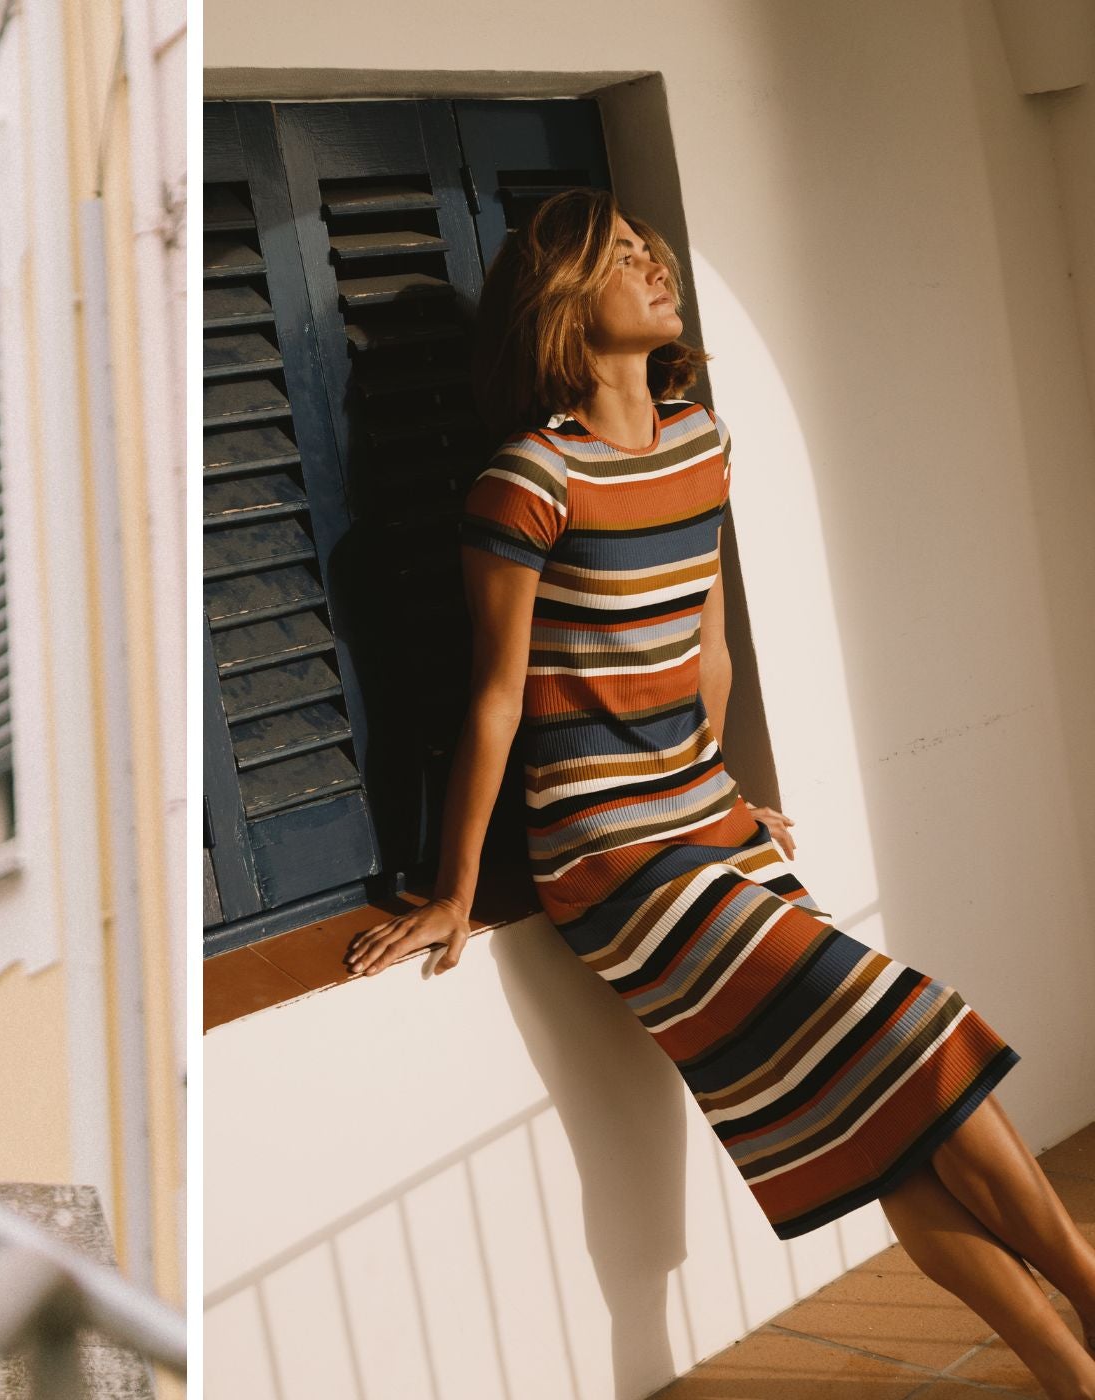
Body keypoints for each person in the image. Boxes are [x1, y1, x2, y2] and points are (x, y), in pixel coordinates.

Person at [346, 187, 1095, 1399]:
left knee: (880, 1112)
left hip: (703, 818)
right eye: (623, 256)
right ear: (562, 301)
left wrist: (727, 786)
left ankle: (1069, 1366)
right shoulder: (528, 480)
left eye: (652, 248)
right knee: (910, 1026)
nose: (657, 267)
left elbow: (708, 648)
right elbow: (493, 700)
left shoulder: (702, 440)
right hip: (608, 853)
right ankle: (1091, 1289)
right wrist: (449, 887)